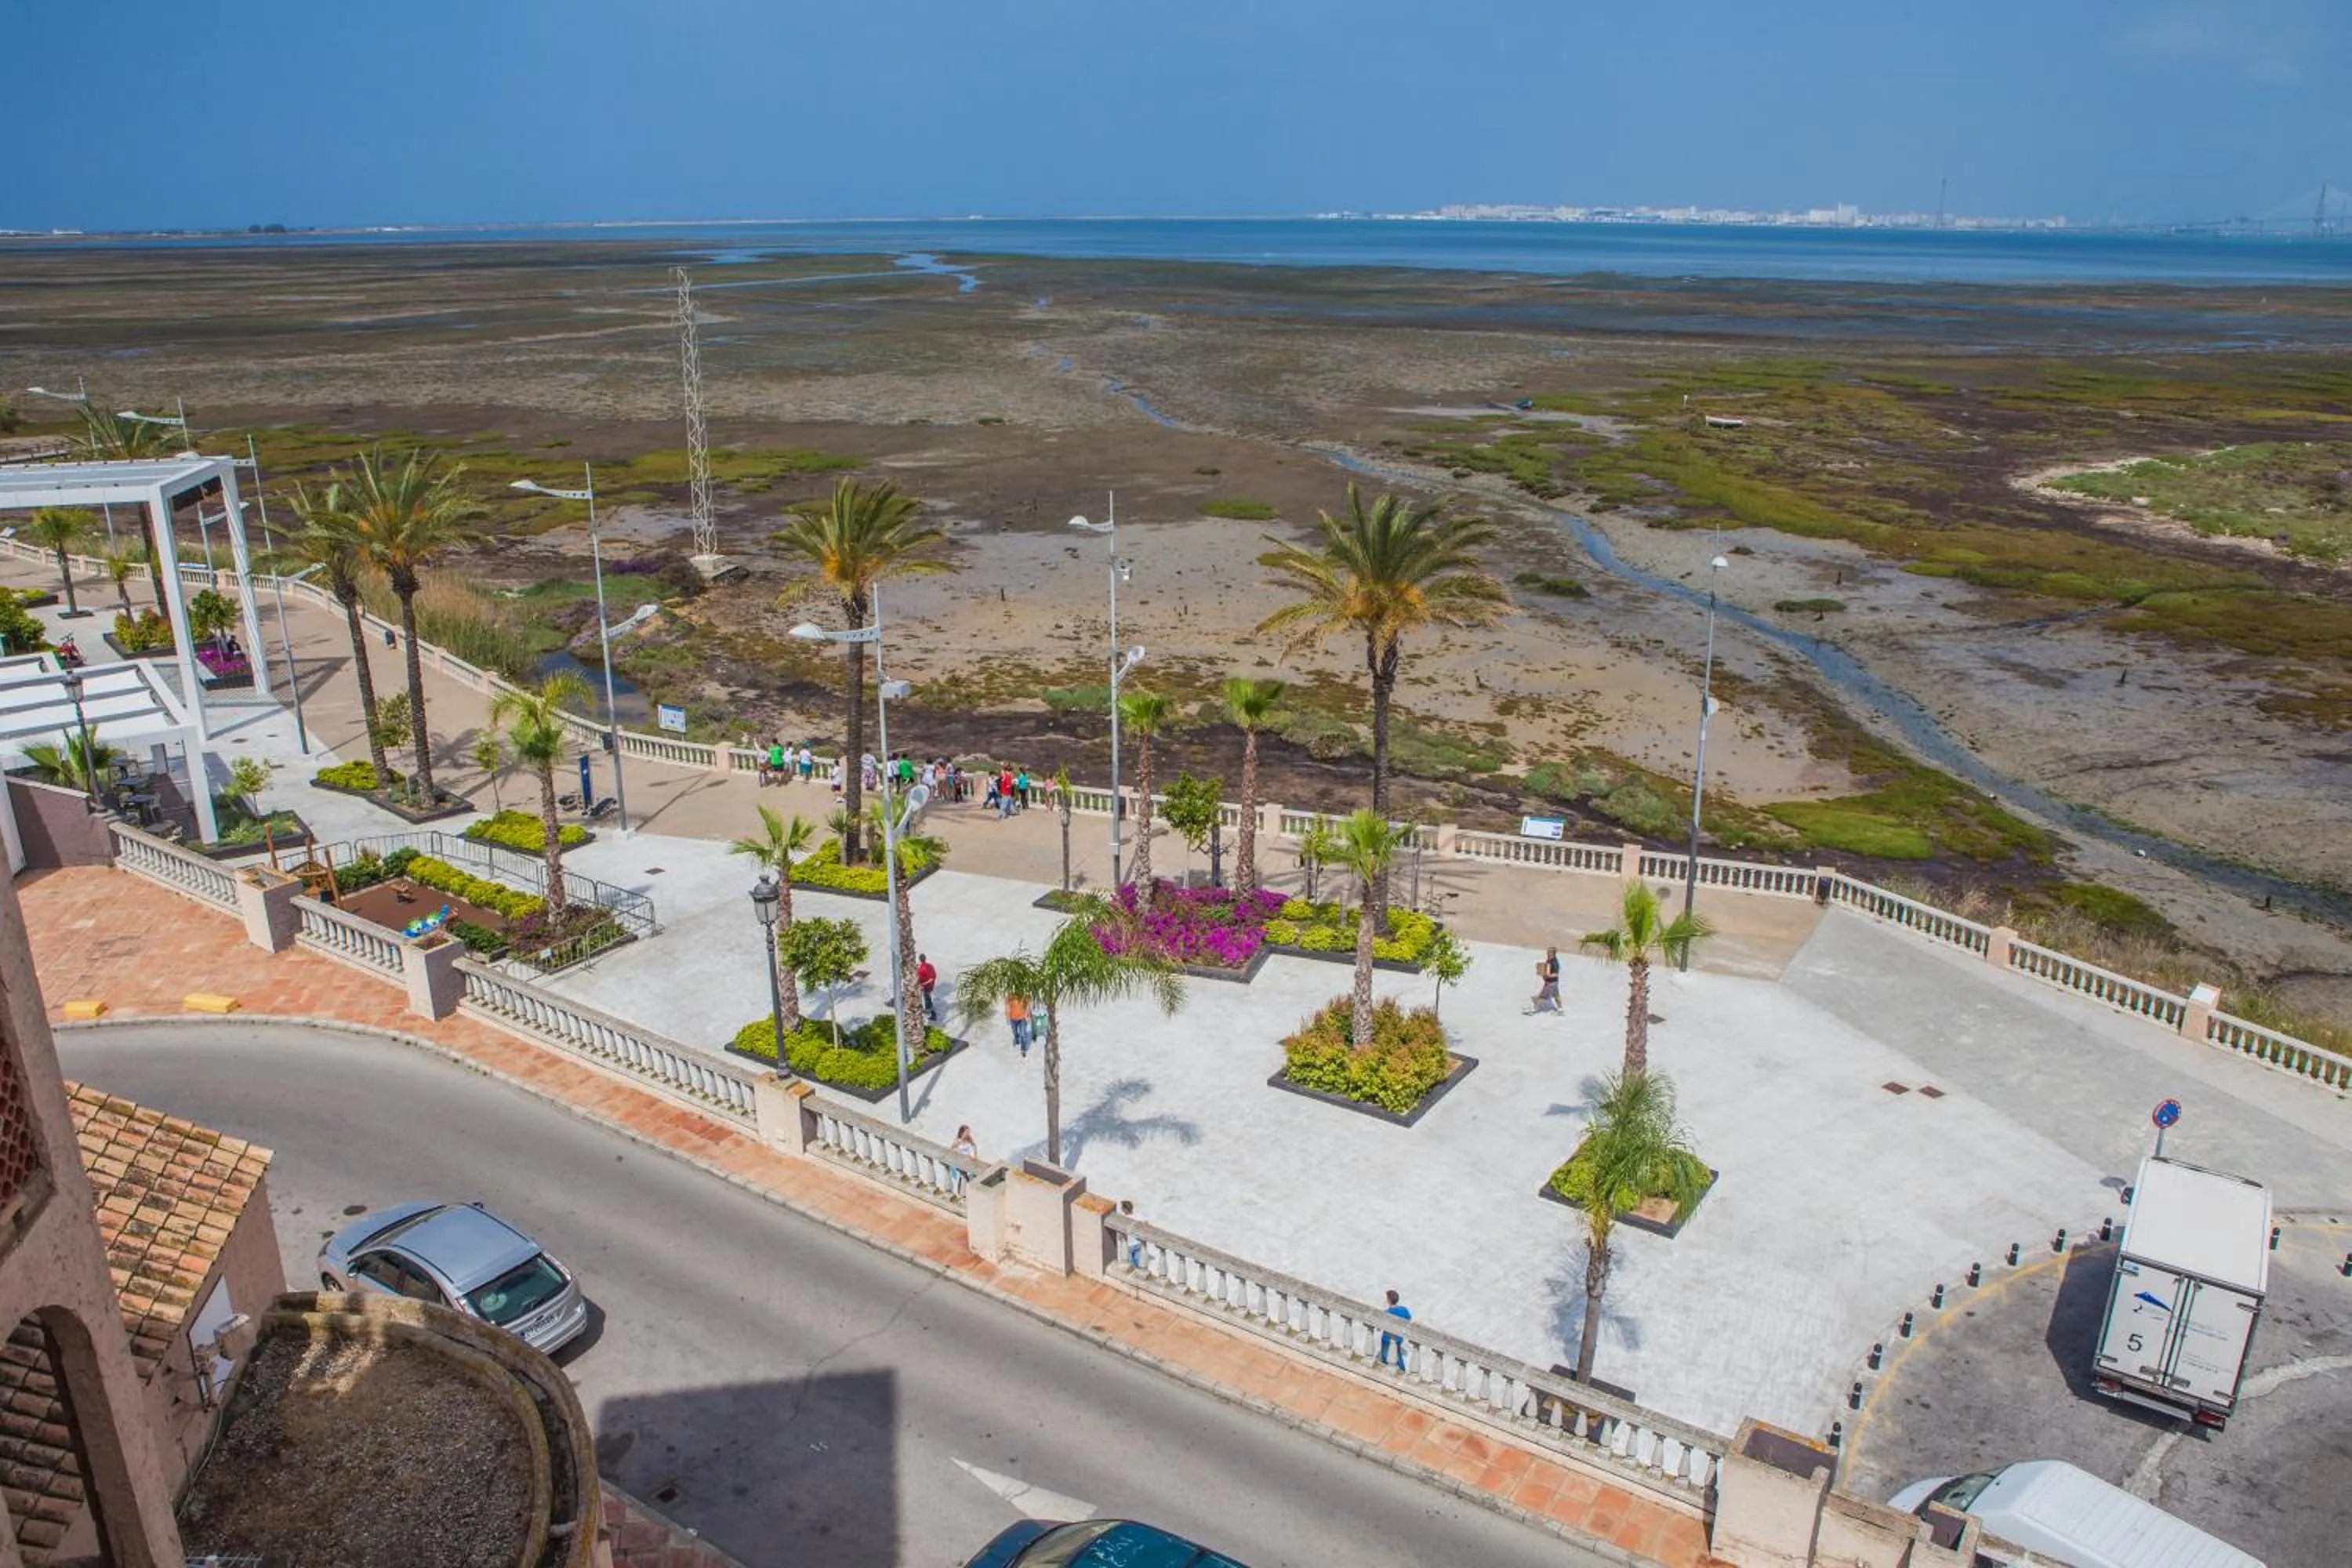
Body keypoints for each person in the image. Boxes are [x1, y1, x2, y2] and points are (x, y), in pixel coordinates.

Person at [1378, 1289, 1412, 1373]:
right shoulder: (1404, 1310)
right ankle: (1403, 1371)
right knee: (1398, 1355)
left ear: (1389, 1300)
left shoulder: (1387, 1312)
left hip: (1387, 1339)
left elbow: (1379, 1327)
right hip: (1399, 1338)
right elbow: (1408, 1319)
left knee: (1386, 1357)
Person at [1527, 946, 1563, 1015]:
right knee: (1556, 995)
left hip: (1551, 983)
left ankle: (1534, 1010)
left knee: (1542, 996)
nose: (1547, 953)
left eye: (1549, 952)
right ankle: (1560, 1009)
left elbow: (1556, 974)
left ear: (1552, 953)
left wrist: (1548, 975)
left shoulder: (1554, 963)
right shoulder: (1549, 960)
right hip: (1554, 983)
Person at [1006, 993, 1032, 1057]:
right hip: (1013, 1019)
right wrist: (1007, 1018)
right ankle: (1017, 1039)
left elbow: (1028, 1006)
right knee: (1015, 1033)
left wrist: (1028, 1016)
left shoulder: (1024, 994)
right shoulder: (1010, 995)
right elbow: (1007, 1008)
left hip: (1022, 1019)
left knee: (1022, 1034)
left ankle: (1023, 1050)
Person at [916, 953, 938, 1022]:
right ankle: (931, 1014)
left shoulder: (925, 967)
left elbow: (931, 978)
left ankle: (932, 1015)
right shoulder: (927, 966)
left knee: (927, 1000)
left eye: (921, 958)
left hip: (927, 987)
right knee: (927, 1000)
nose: (921, 959)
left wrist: (923, 984)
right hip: (926, 986)